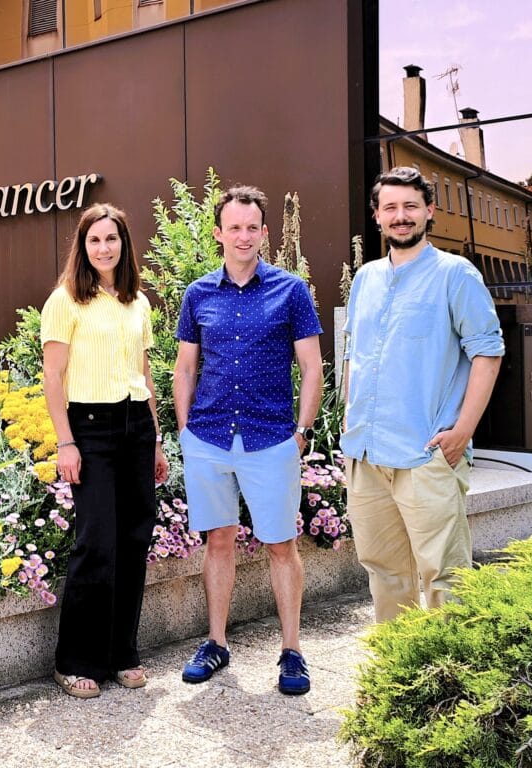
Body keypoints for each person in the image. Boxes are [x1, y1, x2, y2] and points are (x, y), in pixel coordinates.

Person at [173, 185, 323, 695]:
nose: (243, 236)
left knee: (280, 544)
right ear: (219, 234)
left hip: (270, 437)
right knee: (218, 540)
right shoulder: (198, 294)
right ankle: (216, 643)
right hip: (210, 437)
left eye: (251, 227)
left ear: (264, 232)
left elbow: (311, 366)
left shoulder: (291, 290)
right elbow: (185, 367)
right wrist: (184, 430)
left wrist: (302, 432)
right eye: (233, 227)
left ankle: (292, 652)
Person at [341, 166, 504, 622]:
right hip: (367, 455)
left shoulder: (456, 275)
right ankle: (398, 677)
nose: (401, 216)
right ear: (377, 216)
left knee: (445, 577)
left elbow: (488, 354)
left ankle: (447, 687)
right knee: (384, 572)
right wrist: (351, 428)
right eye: (390, 207)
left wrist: (463, 432)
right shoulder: (366, 279)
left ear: (429, 212)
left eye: (410, 206)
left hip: (427, 454)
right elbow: (355, 354)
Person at [42, 203, 169, 699]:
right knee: (97, 543)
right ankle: (74, 660)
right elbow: (53, 376)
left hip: (135, 425)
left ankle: (122, 654)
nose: (104, 248)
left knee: (134, 539)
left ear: (123, 243)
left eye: (111, 239)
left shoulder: (138, 302)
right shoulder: (66, 300)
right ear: (83, 245)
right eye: (95, 240)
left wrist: (155, 438)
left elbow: (145, 375)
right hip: (89, 429)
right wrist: (66, 441)